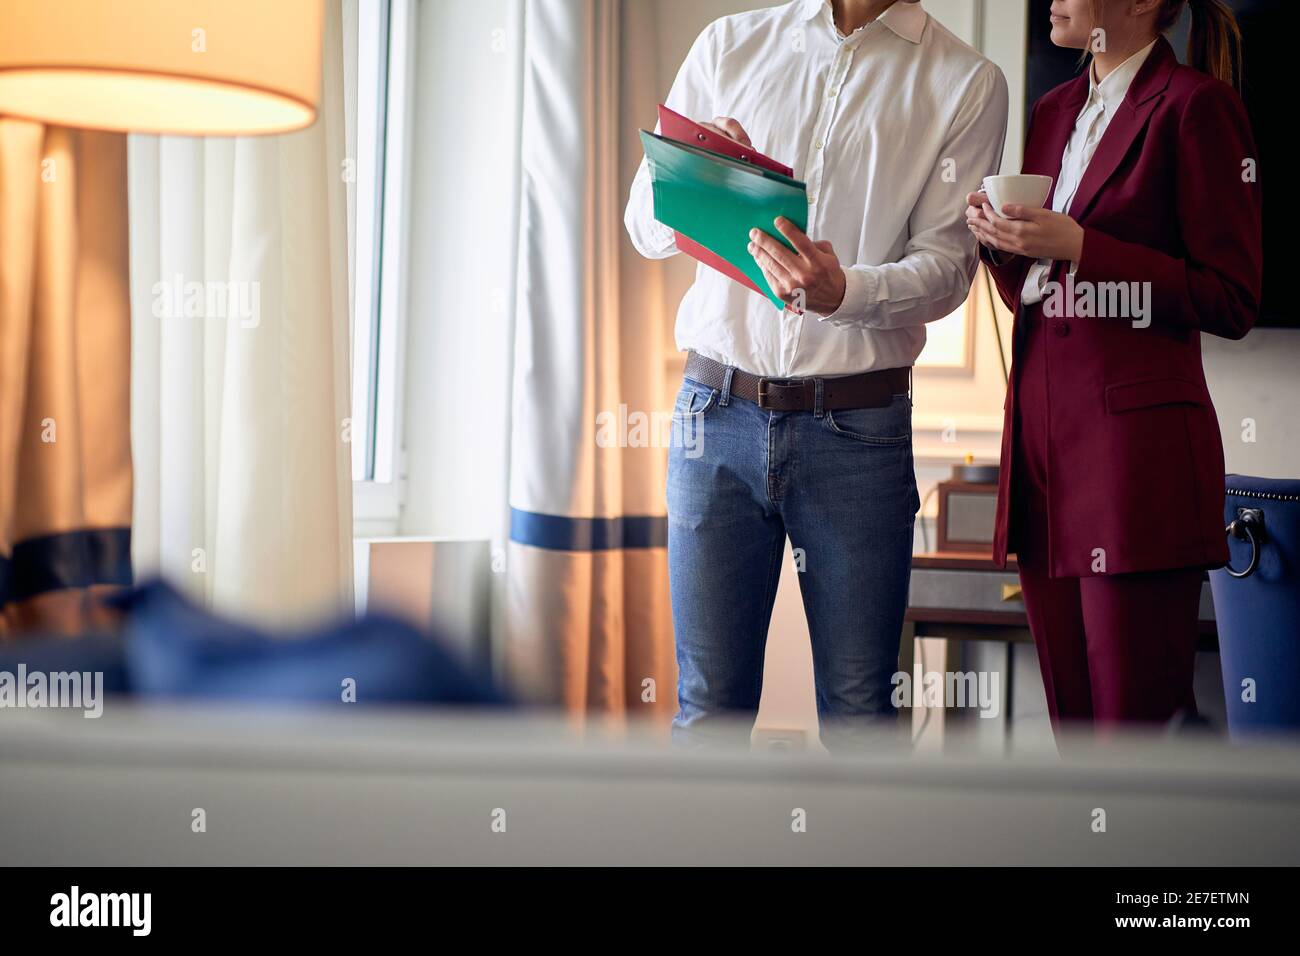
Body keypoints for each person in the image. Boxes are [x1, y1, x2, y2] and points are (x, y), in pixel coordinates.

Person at [625, 0, 1008, 749]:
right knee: (707, 712)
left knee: (862, 717)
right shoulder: (729, 43)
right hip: (716, 411)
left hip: (857, 434)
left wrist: (846, 293)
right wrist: (701, 180)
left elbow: (948, 268)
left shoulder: (967, 81)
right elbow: (644, 224)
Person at [966, 0, 1262, 731]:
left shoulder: (1199, 109)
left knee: (1134, 738)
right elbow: (1042, 296)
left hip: (1136, 472)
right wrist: (1003, 247)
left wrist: (1081, 246)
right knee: (1074, 738)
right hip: (1041, 457)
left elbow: (1231, 299)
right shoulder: (1054, 108)